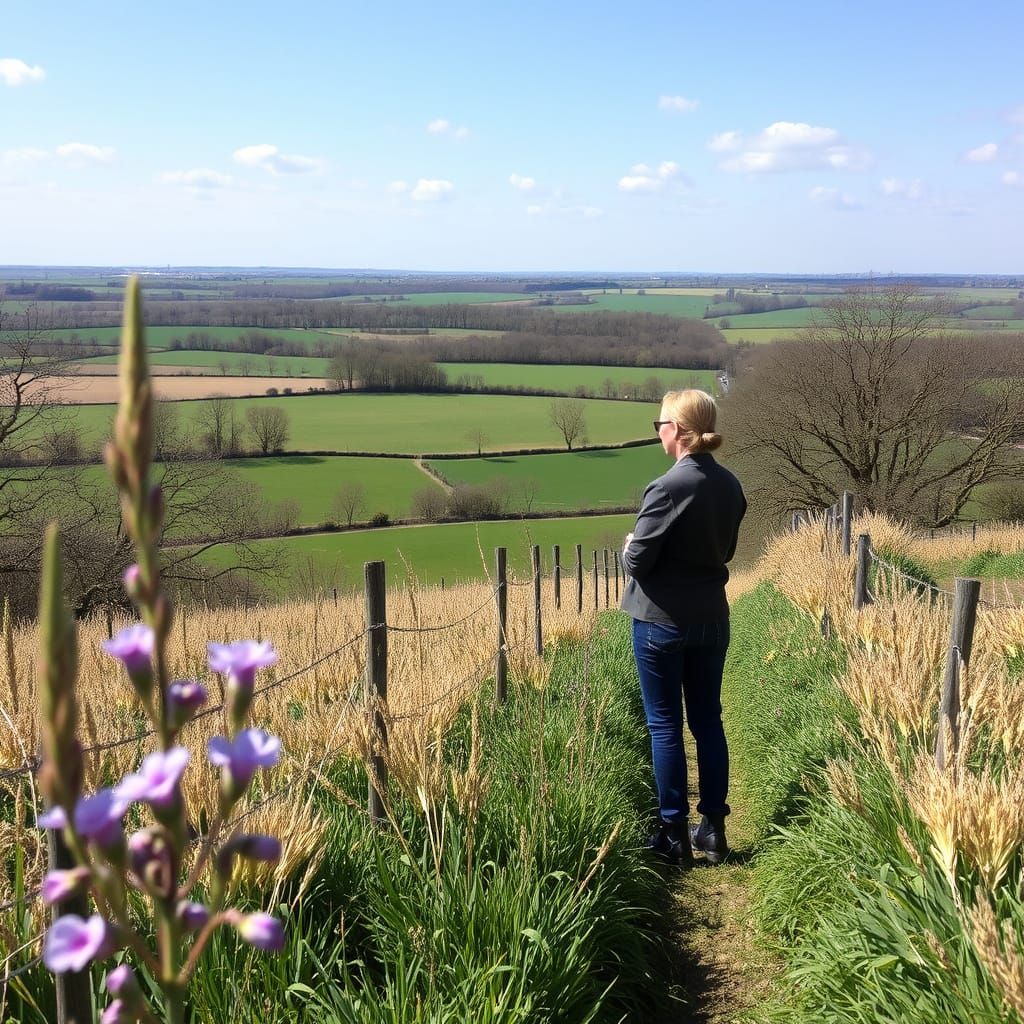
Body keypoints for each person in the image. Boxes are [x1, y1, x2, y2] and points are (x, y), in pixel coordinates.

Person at [620, 389, 746, 867]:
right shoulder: (731, 485)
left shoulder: (666, 487)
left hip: (660, 622)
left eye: (659, 425)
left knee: (664, 724)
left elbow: (637, 561)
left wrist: (630, 543)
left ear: (676, 430)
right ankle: (713, 831)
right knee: (709, 721)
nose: (658, 432)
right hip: (713, 618)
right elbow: (727, 553)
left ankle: (672, 833)